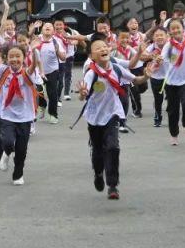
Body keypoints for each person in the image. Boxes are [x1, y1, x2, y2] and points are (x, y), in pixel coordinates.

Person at [78, 39, 151, 200]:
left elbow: (135, 80)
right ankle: (98, 173)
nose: (103, 49)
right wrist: (82, 93)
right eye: (98, 48)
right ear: (92, 56)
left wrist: (145, 76)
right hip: (95, 117)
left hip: (112, 114)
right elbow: (84, 93)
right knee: (97, 151)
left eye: (105, 46)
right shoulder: (91, 73)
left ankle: (112, 185)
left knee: (113, 147)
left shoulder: (116, 68)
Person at [0, 44, 38, 184]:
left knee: (21, 150)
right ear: (6, 58)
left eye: (18, 56)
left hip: (25, 116)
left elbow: (34, 65)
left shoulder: (27, 73)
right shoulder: (2, 70)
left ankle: (18, 175)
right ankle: (6, 152)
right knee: (7, 142)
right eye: (11, 56)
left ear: (24, 58)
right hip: (7, 114)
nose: (14, 59)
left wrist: (35, 51)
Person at [32, 22, 66, 124]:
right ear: (41, 30)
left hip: (52, 71)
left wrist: (57, 51)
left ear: (53, 31)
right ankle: (42, 105)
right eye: (45, 26)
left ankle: (53, 115)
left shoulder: (56, 42)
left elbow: (63, 57)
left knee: (52, 94)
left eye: (50, 26)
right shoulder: (36, 40)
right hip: (37, 72)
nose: (47, 27)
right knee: (38, 92)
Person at [141, 27, 168, 127]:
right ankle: (158, 117)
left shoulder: (170, 46)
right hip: (156, 76)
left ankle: (172, 116)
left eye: (162, 35)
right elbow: (142, 57)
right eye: (157, 35)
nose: (159, 37)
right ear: (153, 37)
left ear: (167, 36)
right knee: (158, 99)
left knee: (173, 98)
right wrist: (152, 56)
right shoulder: (152, 47)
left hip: (170, 77)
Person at [54, 19, 78, 102]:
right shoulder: (52, 36)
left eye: (60, 24)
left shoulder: (69, 33)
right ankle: (58, 96)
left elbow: (76, 40)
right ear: (54, 26)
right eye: (57, 25)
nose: (58, 26)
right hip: (59, 59)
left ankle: (66, 93)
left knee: (68, 75)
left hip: (69, 57)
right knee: (59, 78)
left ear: (63, 25)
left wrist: (71, 41)